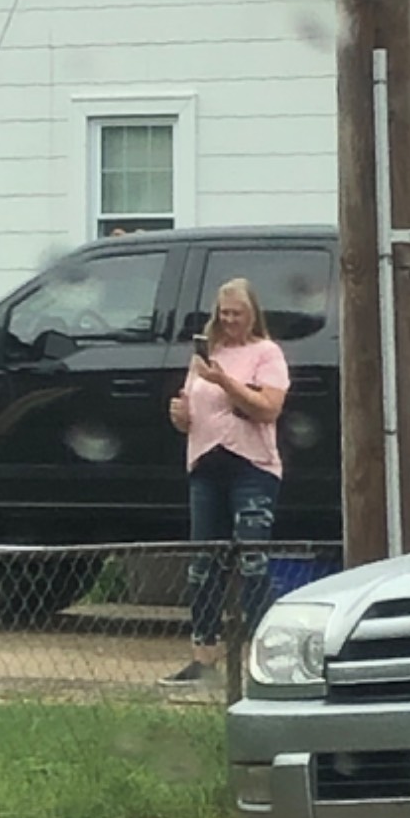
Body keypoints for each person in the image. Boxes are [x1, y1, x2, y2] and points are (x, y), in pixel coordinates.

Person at [160, 277, 289, 689]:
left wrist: (225, 382)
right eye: (224, 313)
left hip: (251, 465)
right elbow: (191, 410)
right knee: (204, 562)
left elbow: (268, 408)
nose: (230, 320)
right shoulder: (206, 355)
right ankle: (204, 657)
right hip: (205, 463)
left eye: (237, 313)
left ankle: (265, 659)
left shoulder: (266, 353)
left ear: (252, 315)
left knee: (252, 560)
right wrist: (180, 415)